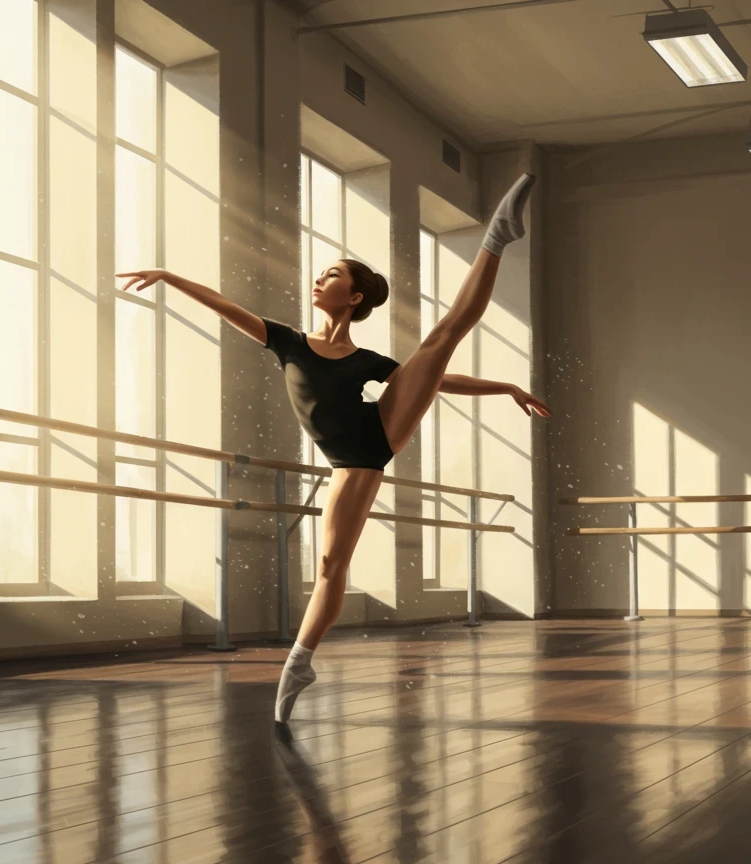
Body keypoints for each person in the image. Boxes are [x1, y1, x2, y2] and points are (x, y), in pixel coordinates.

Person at [117, 173, 551, 733]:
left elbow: (435, 378)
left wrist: (506, 388)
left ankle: (497, 234)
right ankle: (300, 664)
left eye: (333, 275)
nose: (320, 281)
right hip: (344, 460)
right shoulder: (289, 341)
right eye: (321, 274)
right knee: (329, 567)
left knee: (441, 338)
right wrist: (169, 276)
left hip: (376, 438)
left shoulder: (368, 359)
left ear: (357, 295)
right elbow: (225, 306)